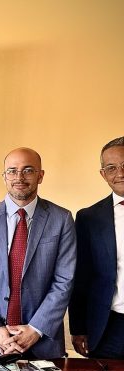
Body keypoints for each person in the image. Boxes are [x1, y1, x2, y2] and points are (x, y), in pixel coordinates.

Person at [0, 147, 76, 359]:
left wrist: (36, 329)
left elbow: (64, 280)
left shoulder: (62, 220)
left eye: (28, 170)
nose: (19, 177)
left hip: (42, 342)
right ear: (4, 176)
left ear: (40, 176)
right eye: (12, 171)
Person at [69, 136, 124, 358]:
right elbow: (81, 276)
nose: (120, 173)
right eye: (111, 168)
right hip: (109, 327)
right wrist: (78, 328)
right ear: (103, 174)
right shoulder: (89, 218)